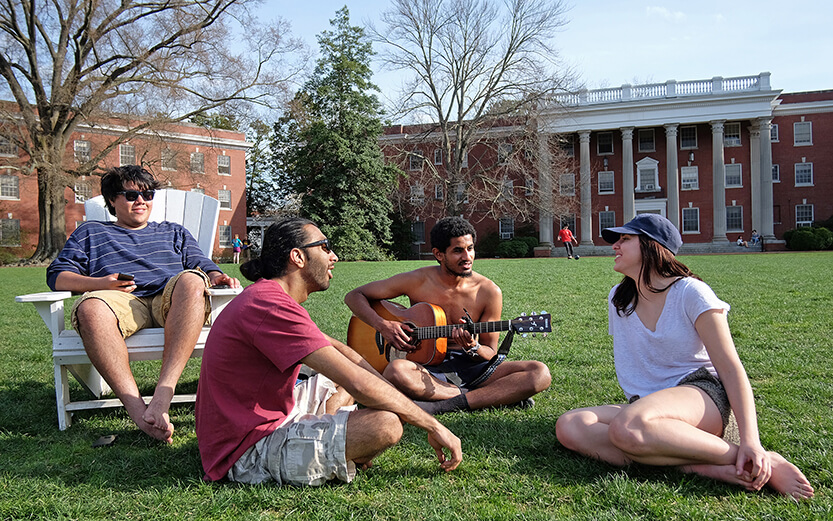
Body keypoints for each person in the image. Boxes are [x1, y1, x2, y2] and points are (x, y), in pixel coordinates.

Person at [555, 214, 814, 500]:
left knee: (627, 427)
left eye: (625, 239)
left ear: (652, 246)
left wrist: (752, 440)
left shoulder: (691, 293)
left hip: (699, 393)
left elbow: (730, 369)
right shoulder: (619, 298)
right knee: (571, 426)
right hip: (645, 405)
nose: (615, 246)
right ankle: (700, 466)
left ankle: (751, 457)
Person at [195, 217, 462, 486]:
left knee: (342, 378)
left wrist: (387, 389)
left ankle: (329, 433)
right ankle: (332, 439)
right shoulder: (269, 305)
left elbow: (339, 351)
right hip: (245, 450)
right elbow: (357, 383)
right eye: (324, 247)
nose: (333, 256)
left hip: (267, 417)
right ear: (297, 256)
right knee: (386, 425)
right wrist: (433, 424)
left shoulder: (268, 297)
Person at [46, 165, 240, 443]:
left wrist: (217, 276)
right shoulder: (91, 232)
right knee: (90, 308)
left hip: (170, 300)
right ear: (112, 200)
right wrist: (102, 283)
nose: (141, 201)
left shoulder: (174, 231)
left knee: (193, 281)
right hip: (121, 299)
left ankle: (163, 393)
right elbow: (57, 276)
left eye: (147, 195)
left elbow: (203, 265)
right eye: (130, 195)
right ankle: (139, 412)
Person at [344, 216, 551, 415]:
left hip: (472, 367)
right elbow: (354, 296)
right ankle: (483, 397)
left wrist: (473, 347)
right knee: (396, 371)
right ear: (438, 254)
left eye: (470, 249)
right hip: (427, 369)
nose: (467, 257)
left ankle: (441, 404)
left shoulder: (488, 291)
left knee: (539, 373)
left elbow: (490, 352)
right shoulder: (417, 280)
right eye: (458, 251)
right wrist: (383, 326)